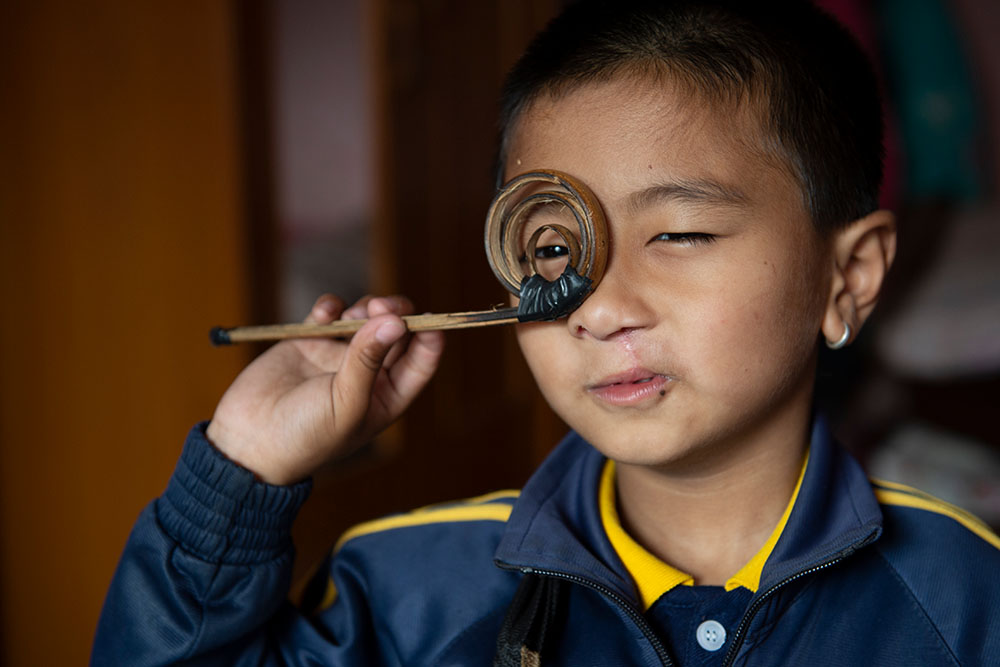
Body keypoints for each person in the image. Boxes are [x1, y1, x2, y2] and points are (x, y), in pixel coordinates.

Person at [93, 1, 1000, 665]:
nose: (599, 308)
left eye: (679, 233)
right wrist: (238, 473)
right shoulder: (409, 594)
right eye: (557, 247)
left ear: (850, 277)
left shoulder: (966, 600)